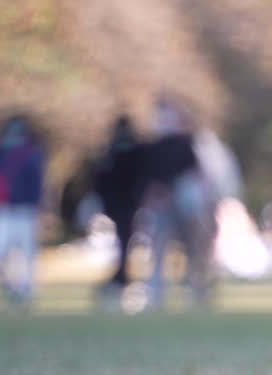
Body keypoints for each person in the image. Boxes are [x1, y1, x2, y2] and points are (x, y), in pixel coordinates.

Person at [142, 95, 217, 310]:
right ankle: (156, 293)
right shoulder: (154, 147)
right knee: (158, 248)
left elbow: (195, 174)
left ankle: (197, 290)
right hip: (162, 206)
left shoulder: (186, 144)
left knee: (194, 248)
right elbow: (151, 178)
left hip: (186, 207)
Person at [0, 115, 47, 312]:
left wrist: (38, 204)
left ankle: (26, 291)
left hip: (26, 210)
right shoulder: (0, 151)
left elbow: (37, 181)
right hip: (5, 209)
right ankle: (10, 286)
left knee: (27, 253)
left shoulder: (33, 152)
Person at [93, 115, 145, 299]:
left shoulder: (115, 152)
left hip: (125, 205)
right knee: (123, 241)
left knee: (124, 240)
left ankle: (122, 275)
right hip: (123, 205)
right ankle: (121, 275)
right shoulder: (120, 151)